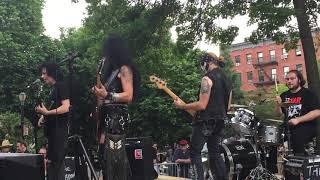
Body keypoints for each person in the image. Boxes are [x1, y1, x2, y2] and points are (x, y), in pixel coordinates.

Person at [174, 52, 232, 180]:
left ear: (208, 62)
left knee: (195, 152)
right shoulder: (227, 79)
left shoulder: (207, 78)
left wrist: (182, 106)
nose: (202, 67)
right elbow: (227, 107)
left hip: (205, 122)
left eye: (202, 64)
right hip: (220, 121)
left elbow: (202, 105)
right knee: (215, 152)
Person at [92, 34, 140, 180]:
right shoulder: (111, 72)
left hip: (117, 118)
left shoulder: (124, 69)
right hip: (107, 117)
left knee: (116, 158)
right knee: (107, 158)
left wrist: (108, 95)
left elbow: (128, 95)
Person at [36, 62, 70, 180]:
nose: (42, 76)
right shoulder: (53, 89)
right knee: (51, 163)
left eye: (44, 73)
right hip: (53, 132)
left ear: (52, 73)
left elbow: (66, 107)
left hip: (59, 132)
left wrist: (46, 113)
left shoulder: (61, 86)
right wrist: (43, 117)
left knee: (57, 163)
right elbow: (52, 109)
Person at [275, 70, 320, 155]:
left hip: (306, 125)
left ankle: (299, 164)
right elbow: (278, 115)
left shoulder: (308, 94)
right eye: (287, 79)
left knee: (297, 136)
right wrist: (278, 104)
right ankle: (271, 166)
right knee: (272, 137)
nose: (289, 81)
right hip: (288, 125)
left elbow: (317, 111)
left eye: (292, 79)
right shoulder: (284, 95)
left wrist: (298, 120)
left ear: (299, 80)